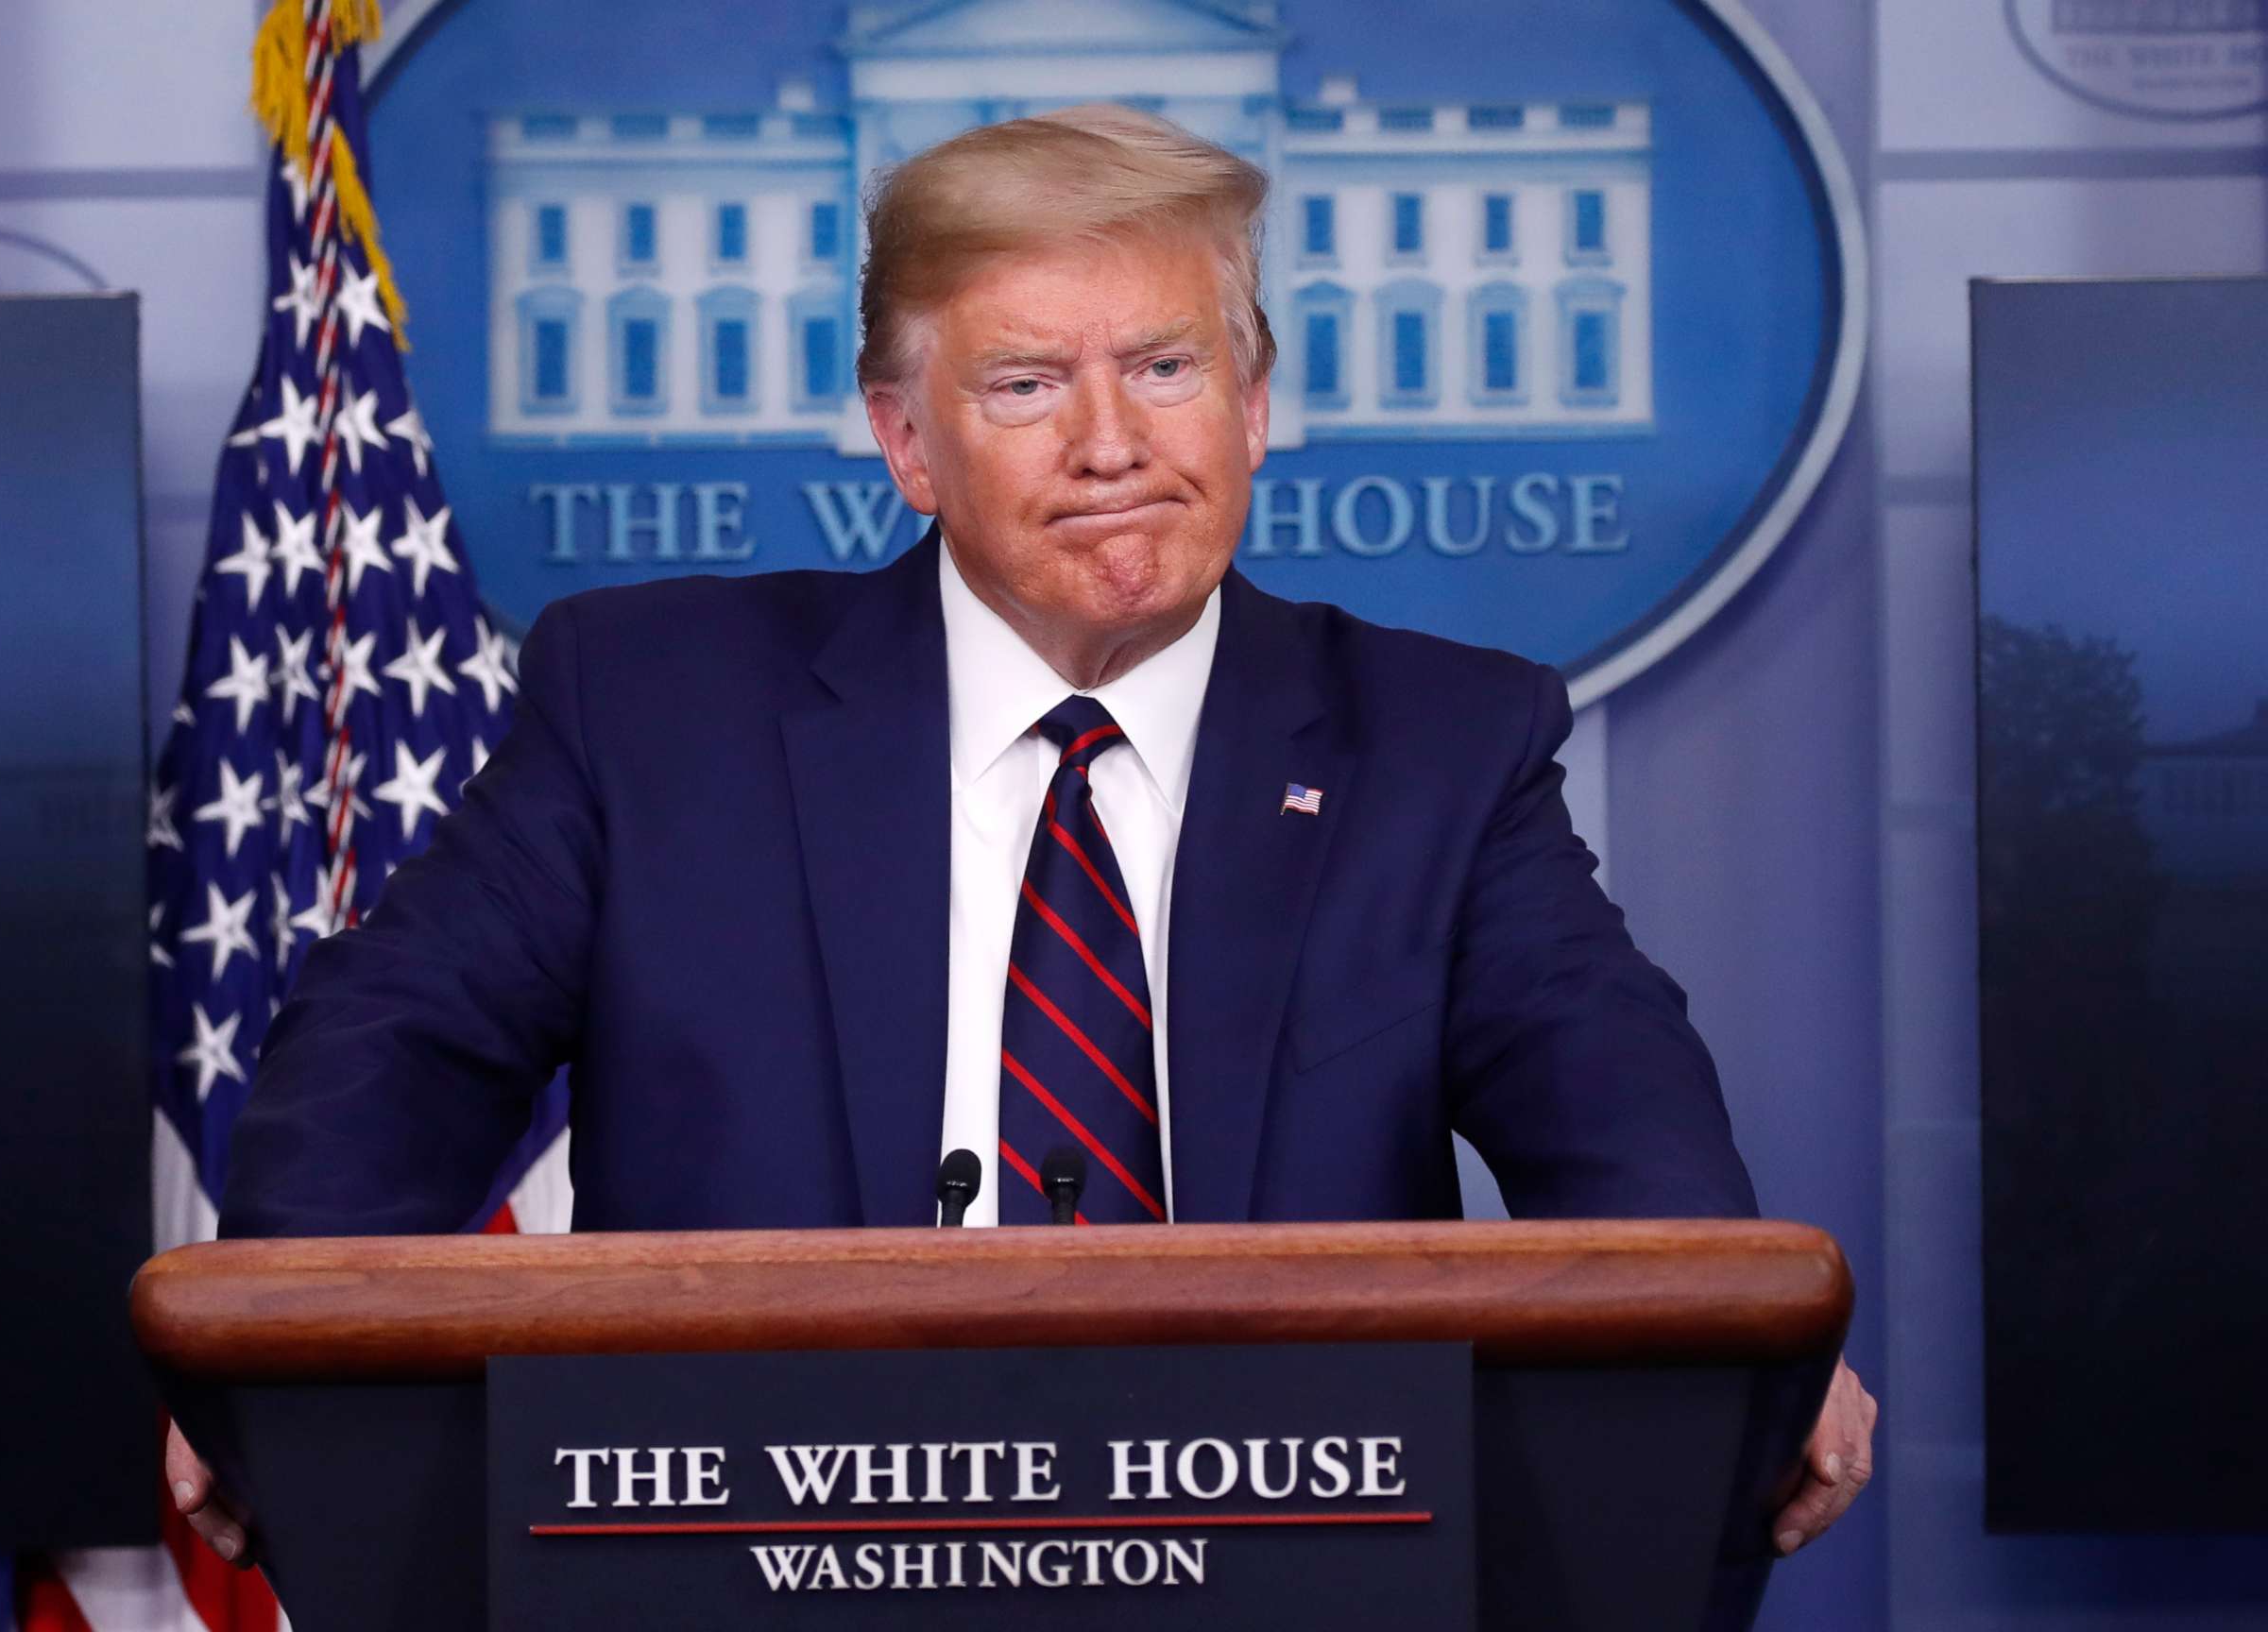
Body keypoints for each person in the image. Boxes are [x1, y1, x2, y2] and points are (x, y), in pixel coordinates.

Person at [177, 104, 1874, 1563]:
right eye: (1024, 383)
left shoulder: (1435, 743)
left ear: (1256, 402)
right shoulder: (656, 707)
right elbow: (398, 1048)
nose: (1114, 443)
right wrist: (259, 1354)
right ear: (907, 443)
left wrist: (1739, 1351)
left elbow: (1609, 1094)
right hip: (755, 1549)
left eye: (1165, 367)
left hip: (1284, 1547)